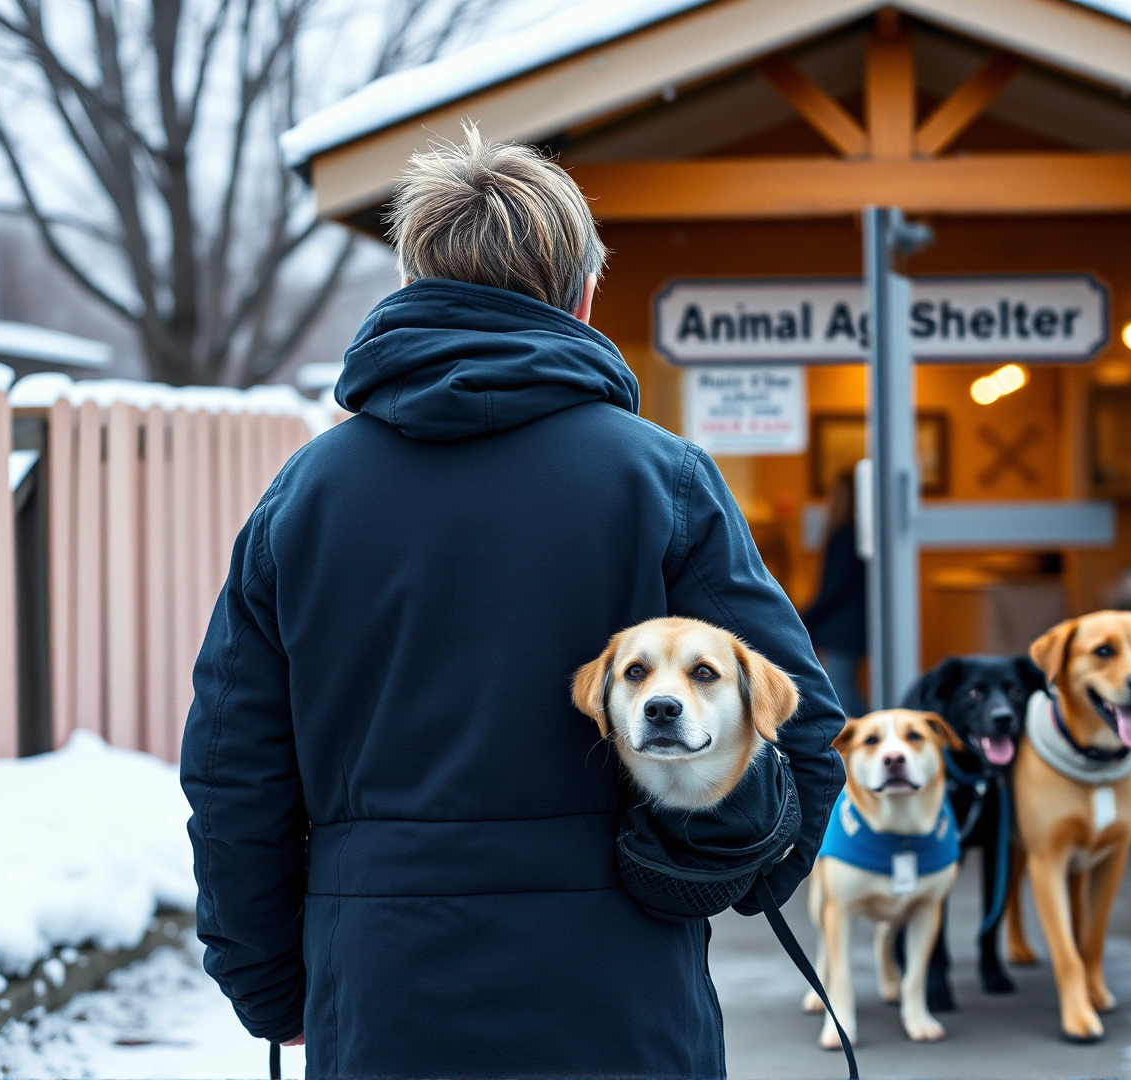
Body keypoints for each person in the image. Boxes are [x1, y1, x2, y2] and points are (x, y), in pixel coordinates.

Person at [179, 126, 845, 1080]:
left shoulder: (307, 495)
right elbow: (800, 724)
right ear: (581, 297)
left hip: (381, 994)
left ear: (412, 287)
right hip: (619, 998)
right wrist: (727, 875)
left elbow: (234, 773)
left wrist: (273, 986)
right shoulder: (660, 478)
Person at [801, 469, 867, 716]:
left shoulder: (844, 537)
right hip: (850, 628)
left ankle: (872, 735)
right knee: (845, 690)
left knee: (841, 692)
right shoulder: (858, 536)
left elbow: (833, 589)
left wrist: (805, 617)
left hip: (839, 630)